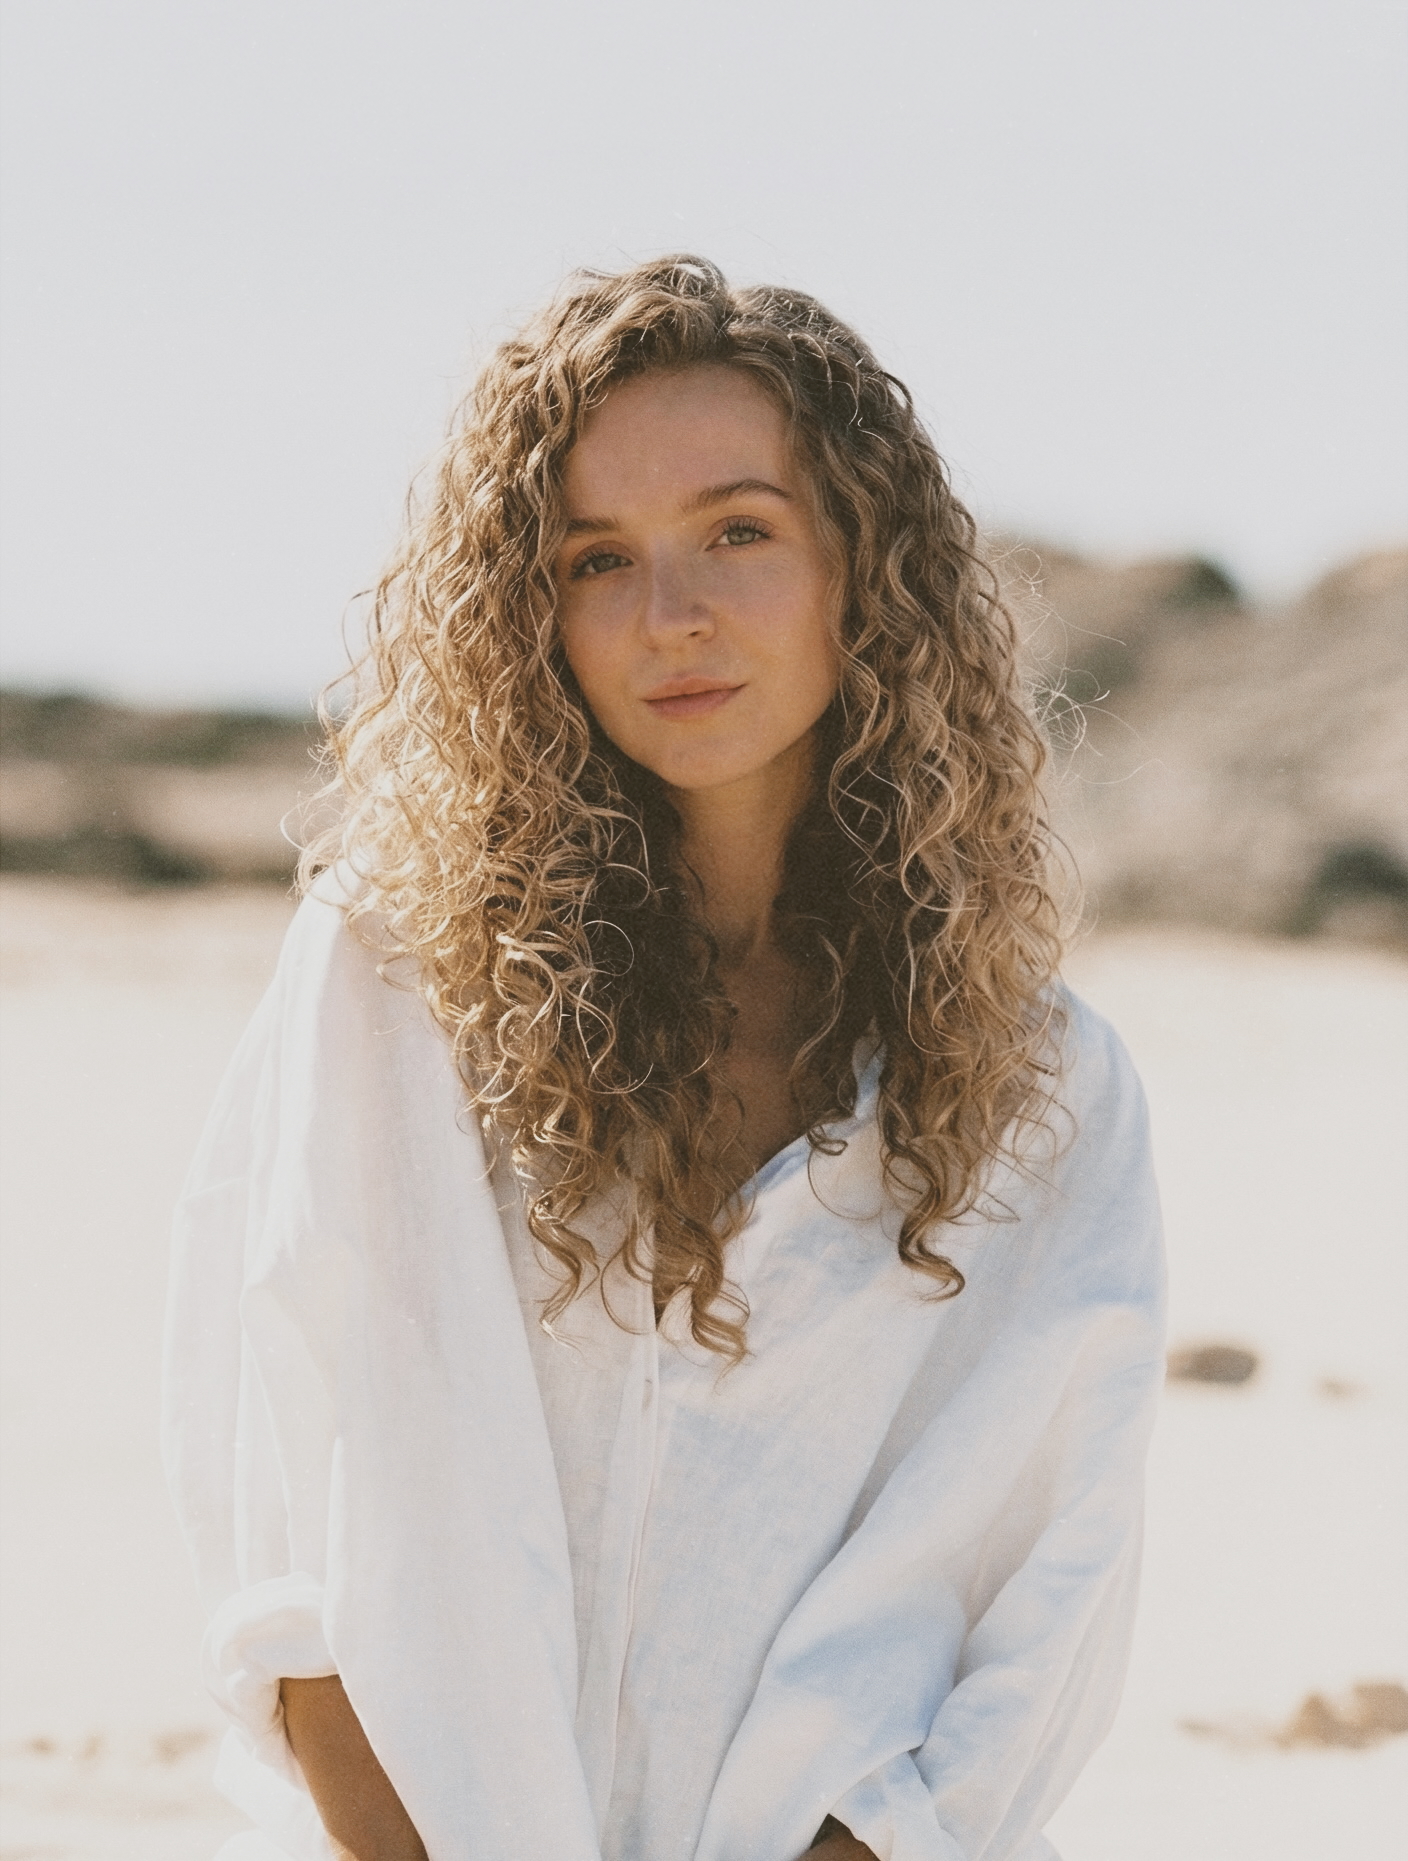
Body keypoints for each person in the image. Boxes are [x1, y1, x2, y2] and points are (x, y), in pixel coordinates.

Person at [163, 255, 1165, 1861]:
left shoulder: (1038, 1088)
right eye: (594, 559)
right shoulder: (389, 988)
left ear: (865, 566)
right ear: (527, 613)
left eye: (739, 532)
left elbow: (1035, 1595)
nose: (670, 615)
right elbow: (285, 1534)